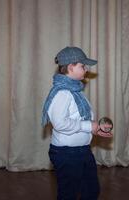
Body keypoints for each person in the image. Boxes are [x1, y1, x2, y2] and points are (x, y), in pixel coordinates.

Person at [41, 46, 113, 200]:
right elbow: (60, 123)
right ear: (70, 67)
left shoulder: (75, 91)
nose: (86, 69)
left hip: (81, 151)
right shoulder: (62, 93)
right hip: (67, 153)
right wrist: (88, 126)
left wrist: (95, 128)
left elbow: (79, 119)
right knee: (69, 193)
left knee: (91, 190)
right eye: (82, 66)